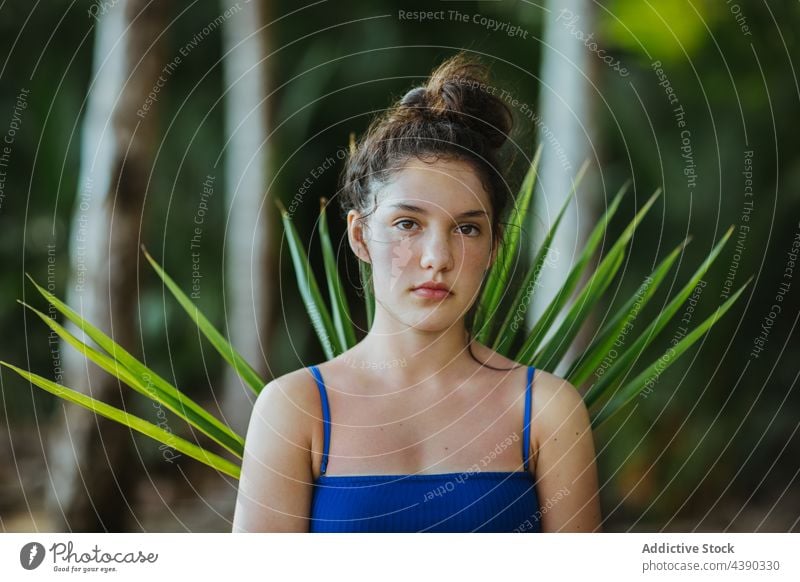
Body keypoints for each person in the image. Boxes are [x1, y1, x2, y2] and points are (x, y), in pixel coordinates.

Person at [232, 52, 602, 533]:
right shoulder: (296, 409)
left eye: (467, 229)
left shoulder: (545, 409)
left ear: (494, 247)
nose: (437, 257)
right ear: (361, 236)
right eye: (407, 223)